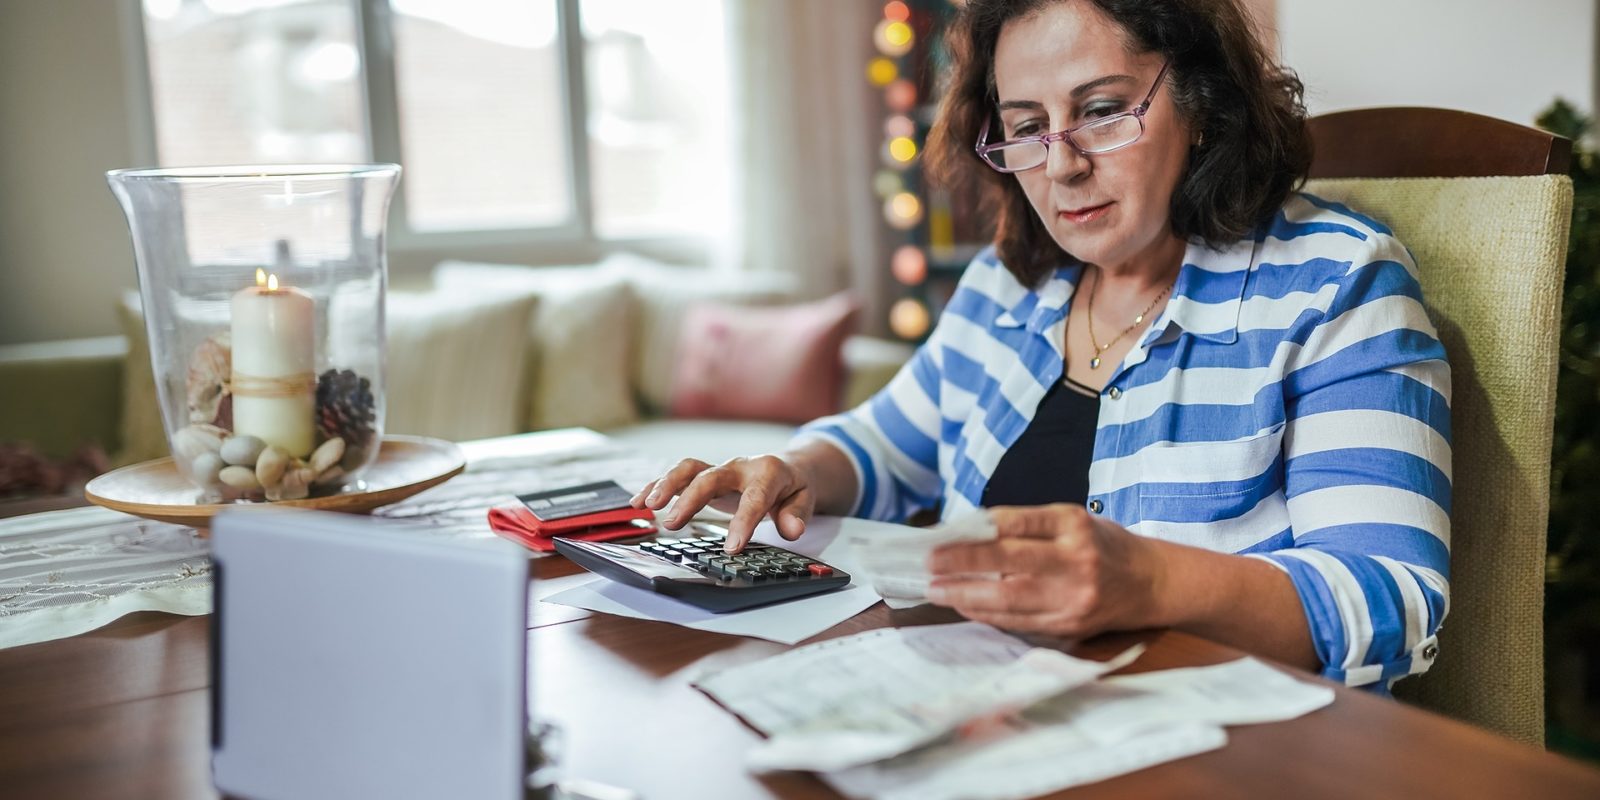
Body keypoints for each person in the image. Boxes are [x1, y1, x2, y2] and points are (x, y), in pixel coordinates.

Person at [631, 0, 1450, 691]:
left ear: (1200, 104)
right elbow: (889, 442)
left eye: (1100, 110)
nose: (1061, 165)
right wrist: (796, 469)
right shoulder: (1010, 281)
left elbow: (1392, 596)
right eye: (1027, 127)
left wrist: (1152, 580)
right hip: (985, 704)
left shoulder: (1336, 283)